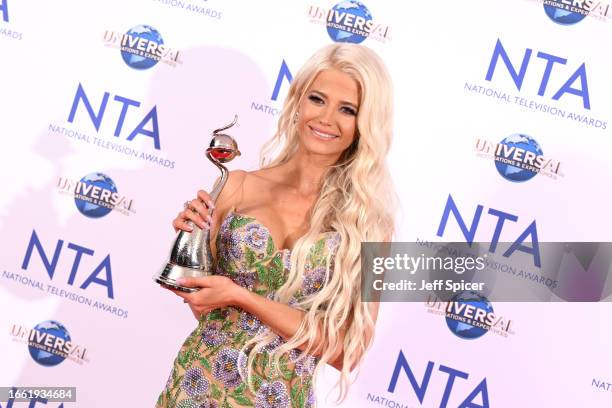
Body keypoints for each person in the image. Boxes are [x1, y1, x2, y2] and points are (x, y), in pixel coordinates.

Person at [156, 43, 396, 408]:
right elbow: (202, 302)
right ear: (298, 101)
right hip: (198, 386)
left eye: (347, 109)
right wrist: (190, 246)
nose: (327, 118)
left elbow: (347, 352)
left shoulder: (372, 226)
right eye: (318, 99)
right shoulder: (235, 185)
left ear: (364, 125)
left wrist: (241, 297)